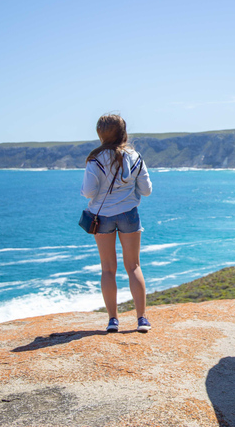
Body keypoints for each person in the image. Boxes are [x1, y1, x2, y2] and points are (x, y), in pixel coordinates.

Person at [81, 114, 153, 333]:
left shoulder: (95, 160)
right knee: (133, 267)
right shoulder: (135, 156)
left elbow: (88, 192)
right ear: (124, 133)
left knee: (108, 269)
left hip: (101, 217)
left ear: (100, 134)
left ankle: (113, 320)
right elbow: (147, 190)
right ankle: (141, 319)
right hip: (129, 214)